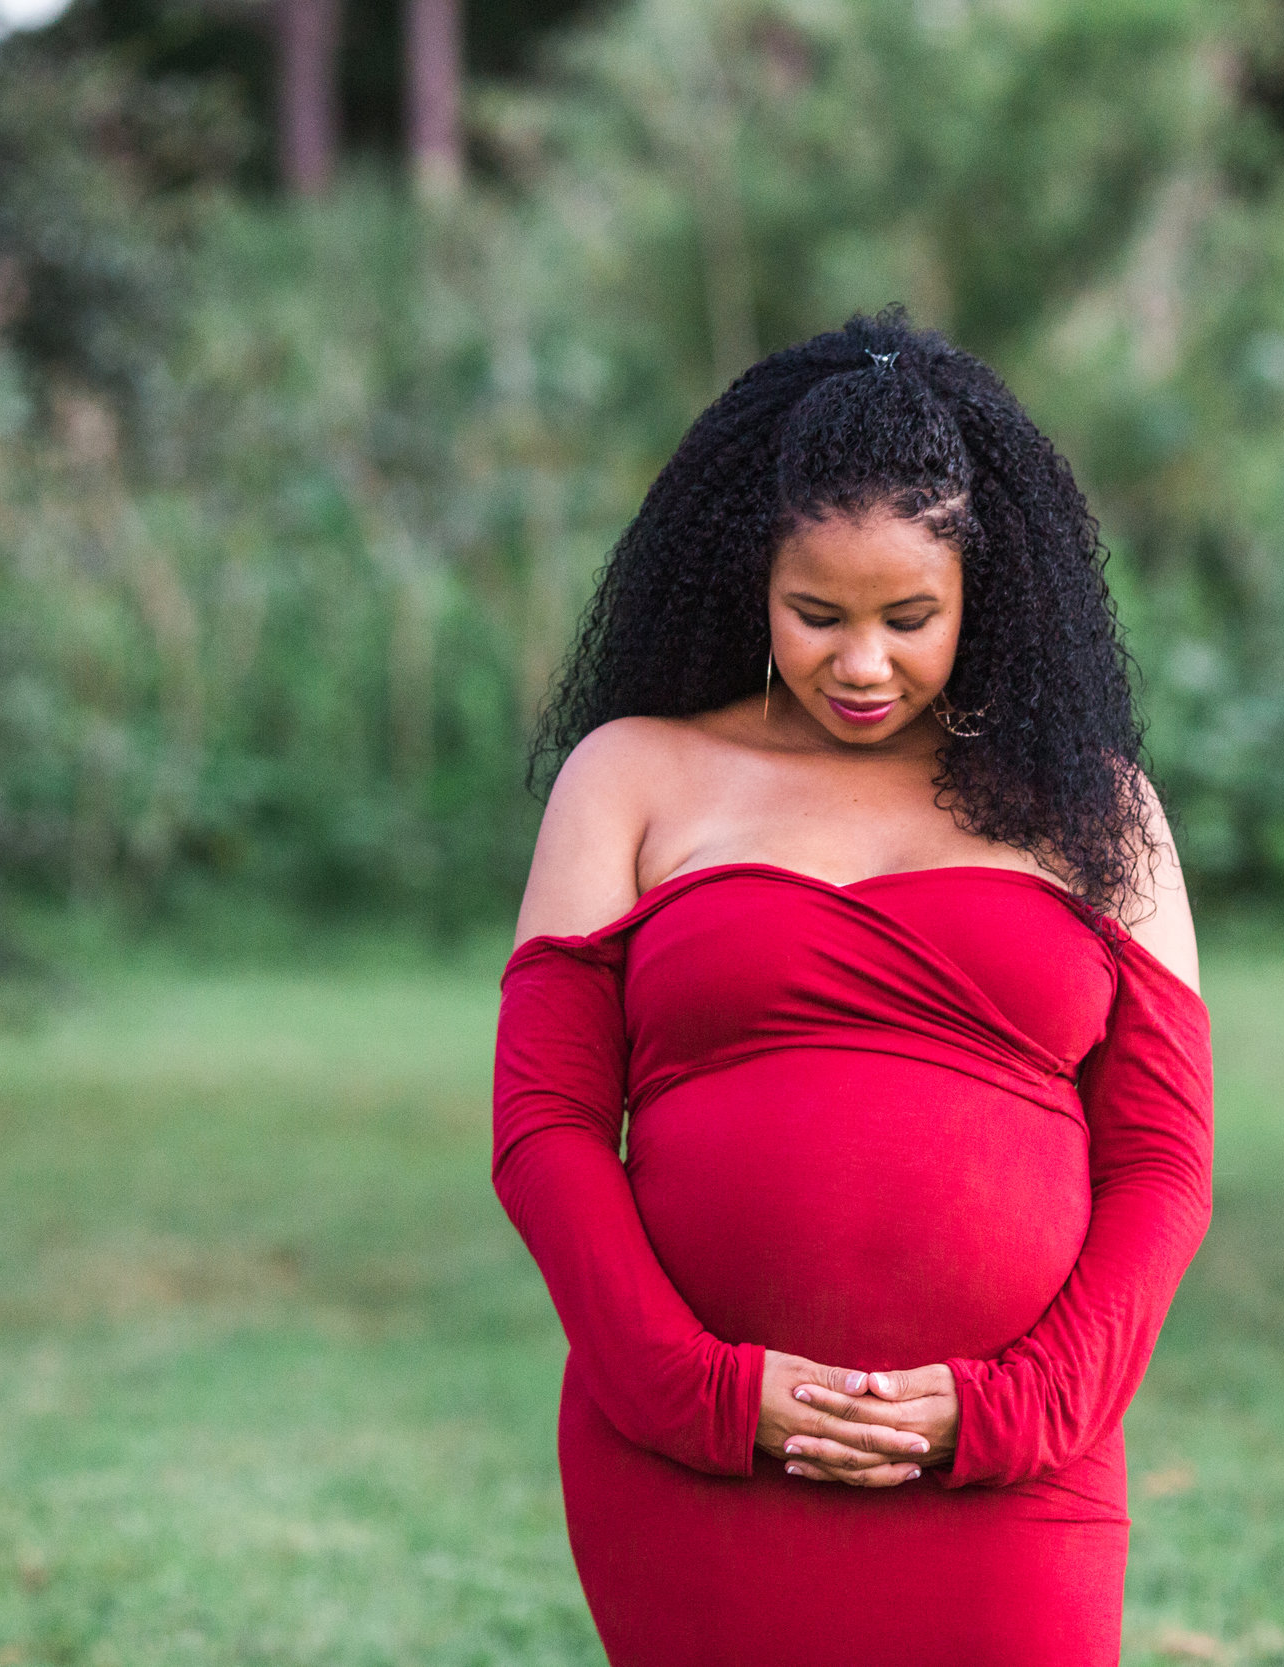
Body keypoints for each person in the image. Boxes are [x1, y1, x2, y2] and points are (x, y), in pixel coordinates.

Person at [491, 309, 1215, 1665]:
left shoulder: (1094, 810)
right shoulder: (634, 777)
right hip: (693, 1465)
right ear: (746, 584)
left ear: (983, 598)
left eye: (911, 618)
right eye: (817, 615)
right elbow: (546, 1128)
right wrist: (702, 1393)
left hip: (1013, 1471)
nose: (862, 664)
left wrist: (1016, 1410)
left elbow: (1165, 1163)